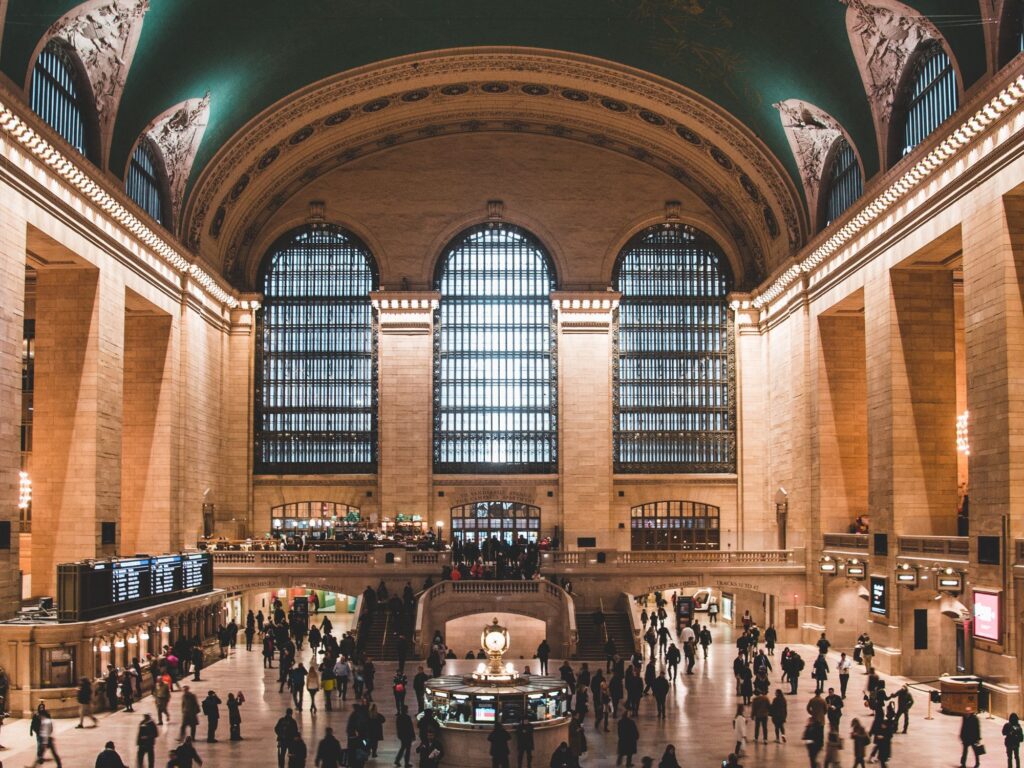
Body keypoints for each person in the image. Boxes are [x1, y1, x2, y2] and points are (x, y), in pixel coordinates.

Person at [30, 702, 62, 768]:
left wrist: (44, 742)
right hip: (47, 739)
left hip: (46, 740)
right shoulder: (43, 720)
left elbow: (47, 732)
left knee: (42, 753)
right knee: (50, 753)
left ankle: (34, 766)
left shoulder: (46, 722)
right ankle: (59, 765)